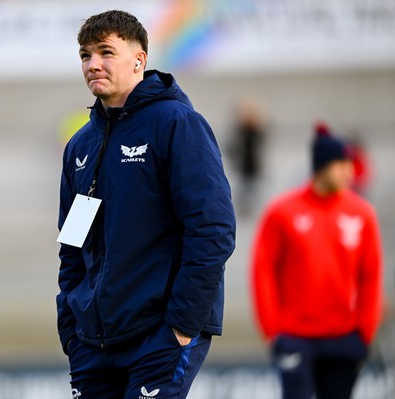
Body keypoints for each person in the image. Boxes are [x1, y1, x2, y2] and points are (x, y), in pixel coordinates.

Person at [56, 10, 235, 399]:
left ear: (139, 59)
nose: (93, 64)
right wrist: (70, 326)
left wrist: (182, 324)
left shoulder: (176, 123)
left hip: (159, 335)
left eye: (106, 52)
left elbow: (213, 229)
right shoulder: (79, 146)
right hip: (92, 342)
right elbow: (72, 244)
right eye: (85, 55)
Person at [250, 122, 383, 399]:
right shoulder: (282, 211)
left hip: (344, 337)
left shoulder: (362, 213)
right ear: (322, 167)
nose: (350, 172)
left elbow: (371, 274)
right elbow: (263, 269)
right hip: (295, 336)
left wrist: (365, 331)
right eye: (342, 164)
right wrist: (273, 330)